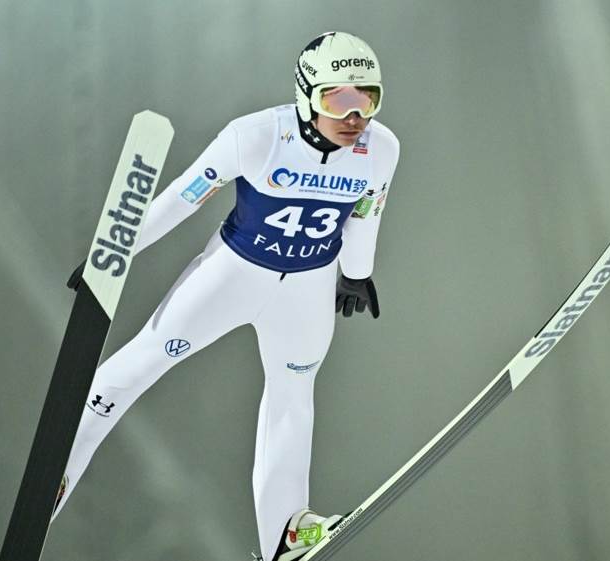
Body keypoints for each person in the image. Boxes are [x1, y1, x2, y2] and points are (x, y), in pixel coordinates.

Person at [53, 31, 400, 561]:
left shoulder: (381, 149)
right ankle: (57, 472)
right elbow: (183, 197)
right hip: (233, 277)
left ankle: (284, 533)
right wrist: (116, 250)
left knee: (293, 399)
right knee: (140, 363)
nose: (355, 116)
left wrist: (356, 273)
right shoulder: (256, 137)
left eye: (368, 99)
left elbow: (368, 214)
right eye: (339, 100)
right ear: (306, 95)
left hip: (306, 288)